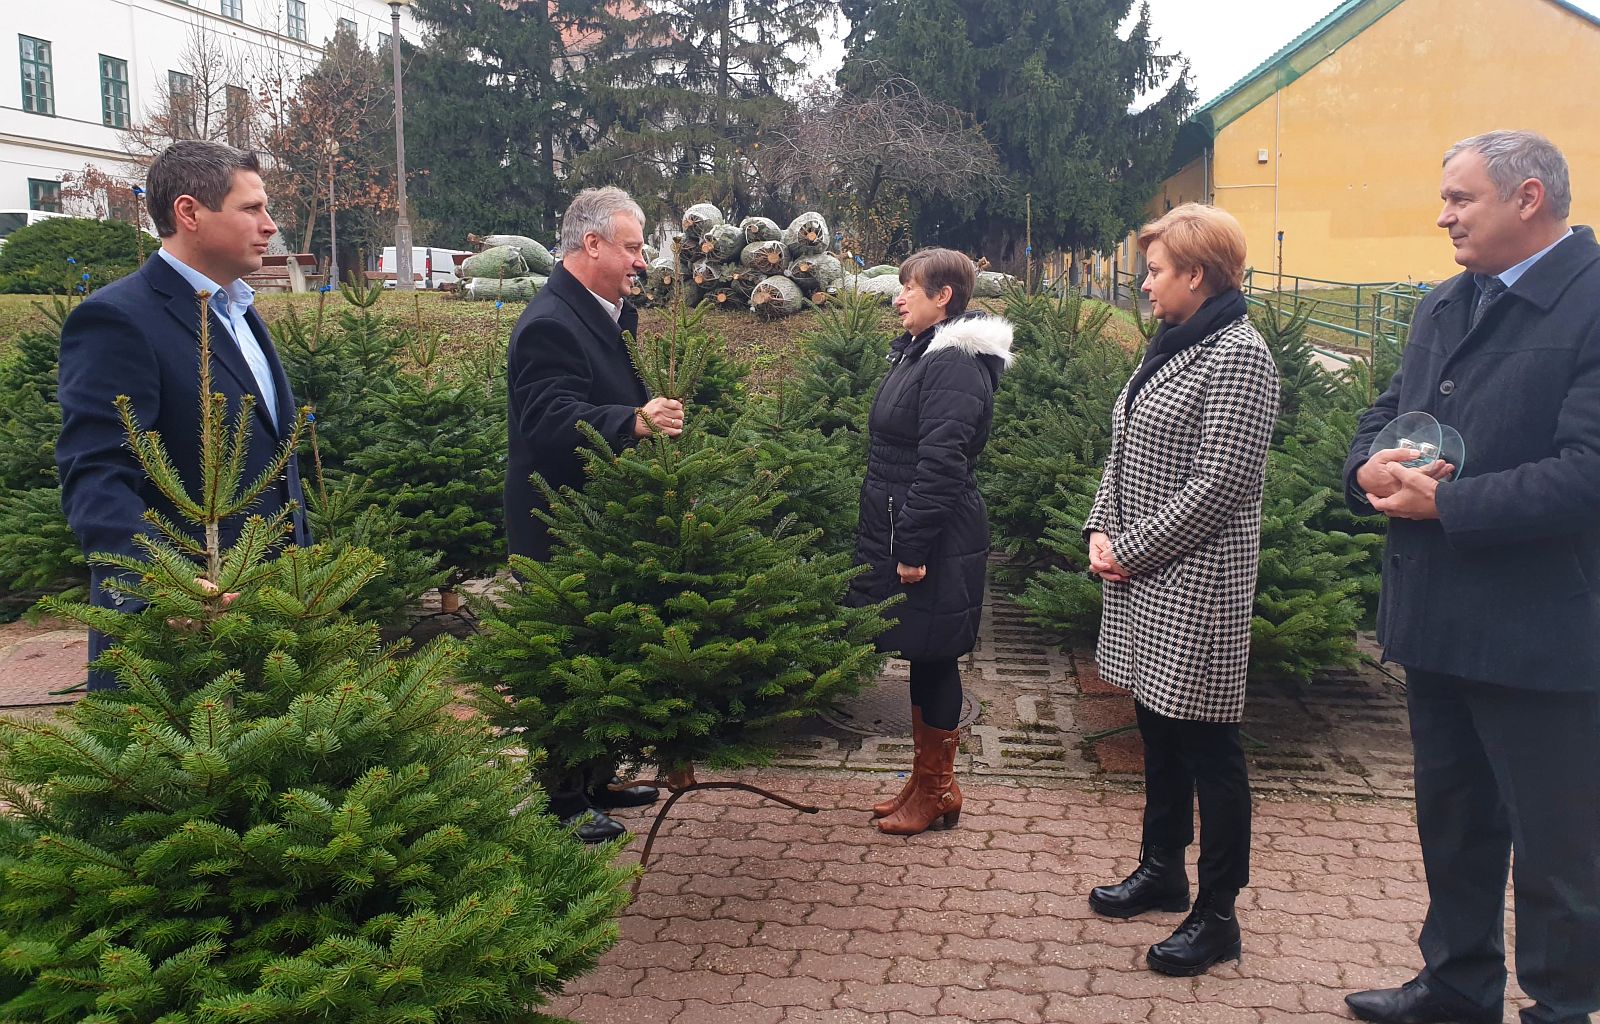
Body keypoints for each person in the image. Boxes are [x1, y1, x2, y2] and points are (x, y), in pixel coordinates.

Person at [1343, 130, 1600, 1024]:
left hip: (1543, 629)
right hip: (1437, 616)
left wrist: (1450, 508)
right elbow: (1388, 411)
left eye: (1461, 198)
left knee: (1558, 848)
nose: (1442, 214)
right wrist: (1369, 467)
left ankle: (1562, 1008)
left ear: (1529, 199)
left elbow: (1589, 468)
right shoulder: (1445, 303)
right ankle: (1455, 988)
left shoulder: (1593, 302)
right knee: (1454, 827)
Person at [1082, 203, 1279, 977]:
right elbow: (1123, 444)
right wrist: (1101, 529)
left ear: (1197, 275)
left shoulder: (1239, 354)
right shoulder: (1171, 343)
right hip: (1142, 578)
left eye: (1157, 270)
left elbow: (1218, 484)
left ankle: (1218, 912)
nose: (1145, 282)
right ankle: (1161, 868)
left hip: (1196, 586)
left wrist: (1127, 550)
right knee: (1156, 727)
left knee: (1208, 744)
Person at [56, 140, 310, 691]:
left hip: (272, 618)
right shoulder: (117, 320)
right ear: (189, 212)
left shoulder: (239, 310)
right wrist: (164, 585)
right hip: (180, 639)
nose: (269, 225)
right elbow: (96, 474)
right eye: (251, 209)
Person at [504, 186, 677, 843]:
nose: (641, 261)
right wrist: (632, 421)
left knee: (600, 652)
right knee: (565, 661)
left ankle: (597, 777)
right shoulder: (551, 320)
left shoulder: (608, 313)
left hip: (597, 518)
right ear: (592, 244)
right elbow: (548, 420)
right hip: (556, 521)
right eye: (632, 247)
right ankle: (562, 803)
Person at [849, 247, 1012, 837]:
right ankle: (926, 781)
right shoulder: (920, 353)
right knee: (924, 651)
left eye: (908, 288)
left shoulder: (951, 365)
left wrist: (912, 546)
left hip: (935, 534)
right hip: (908, 524)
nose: (898, 297)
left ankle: (938, 790)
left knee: (936, 655)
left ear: (943, 296)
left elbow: (941, 464)